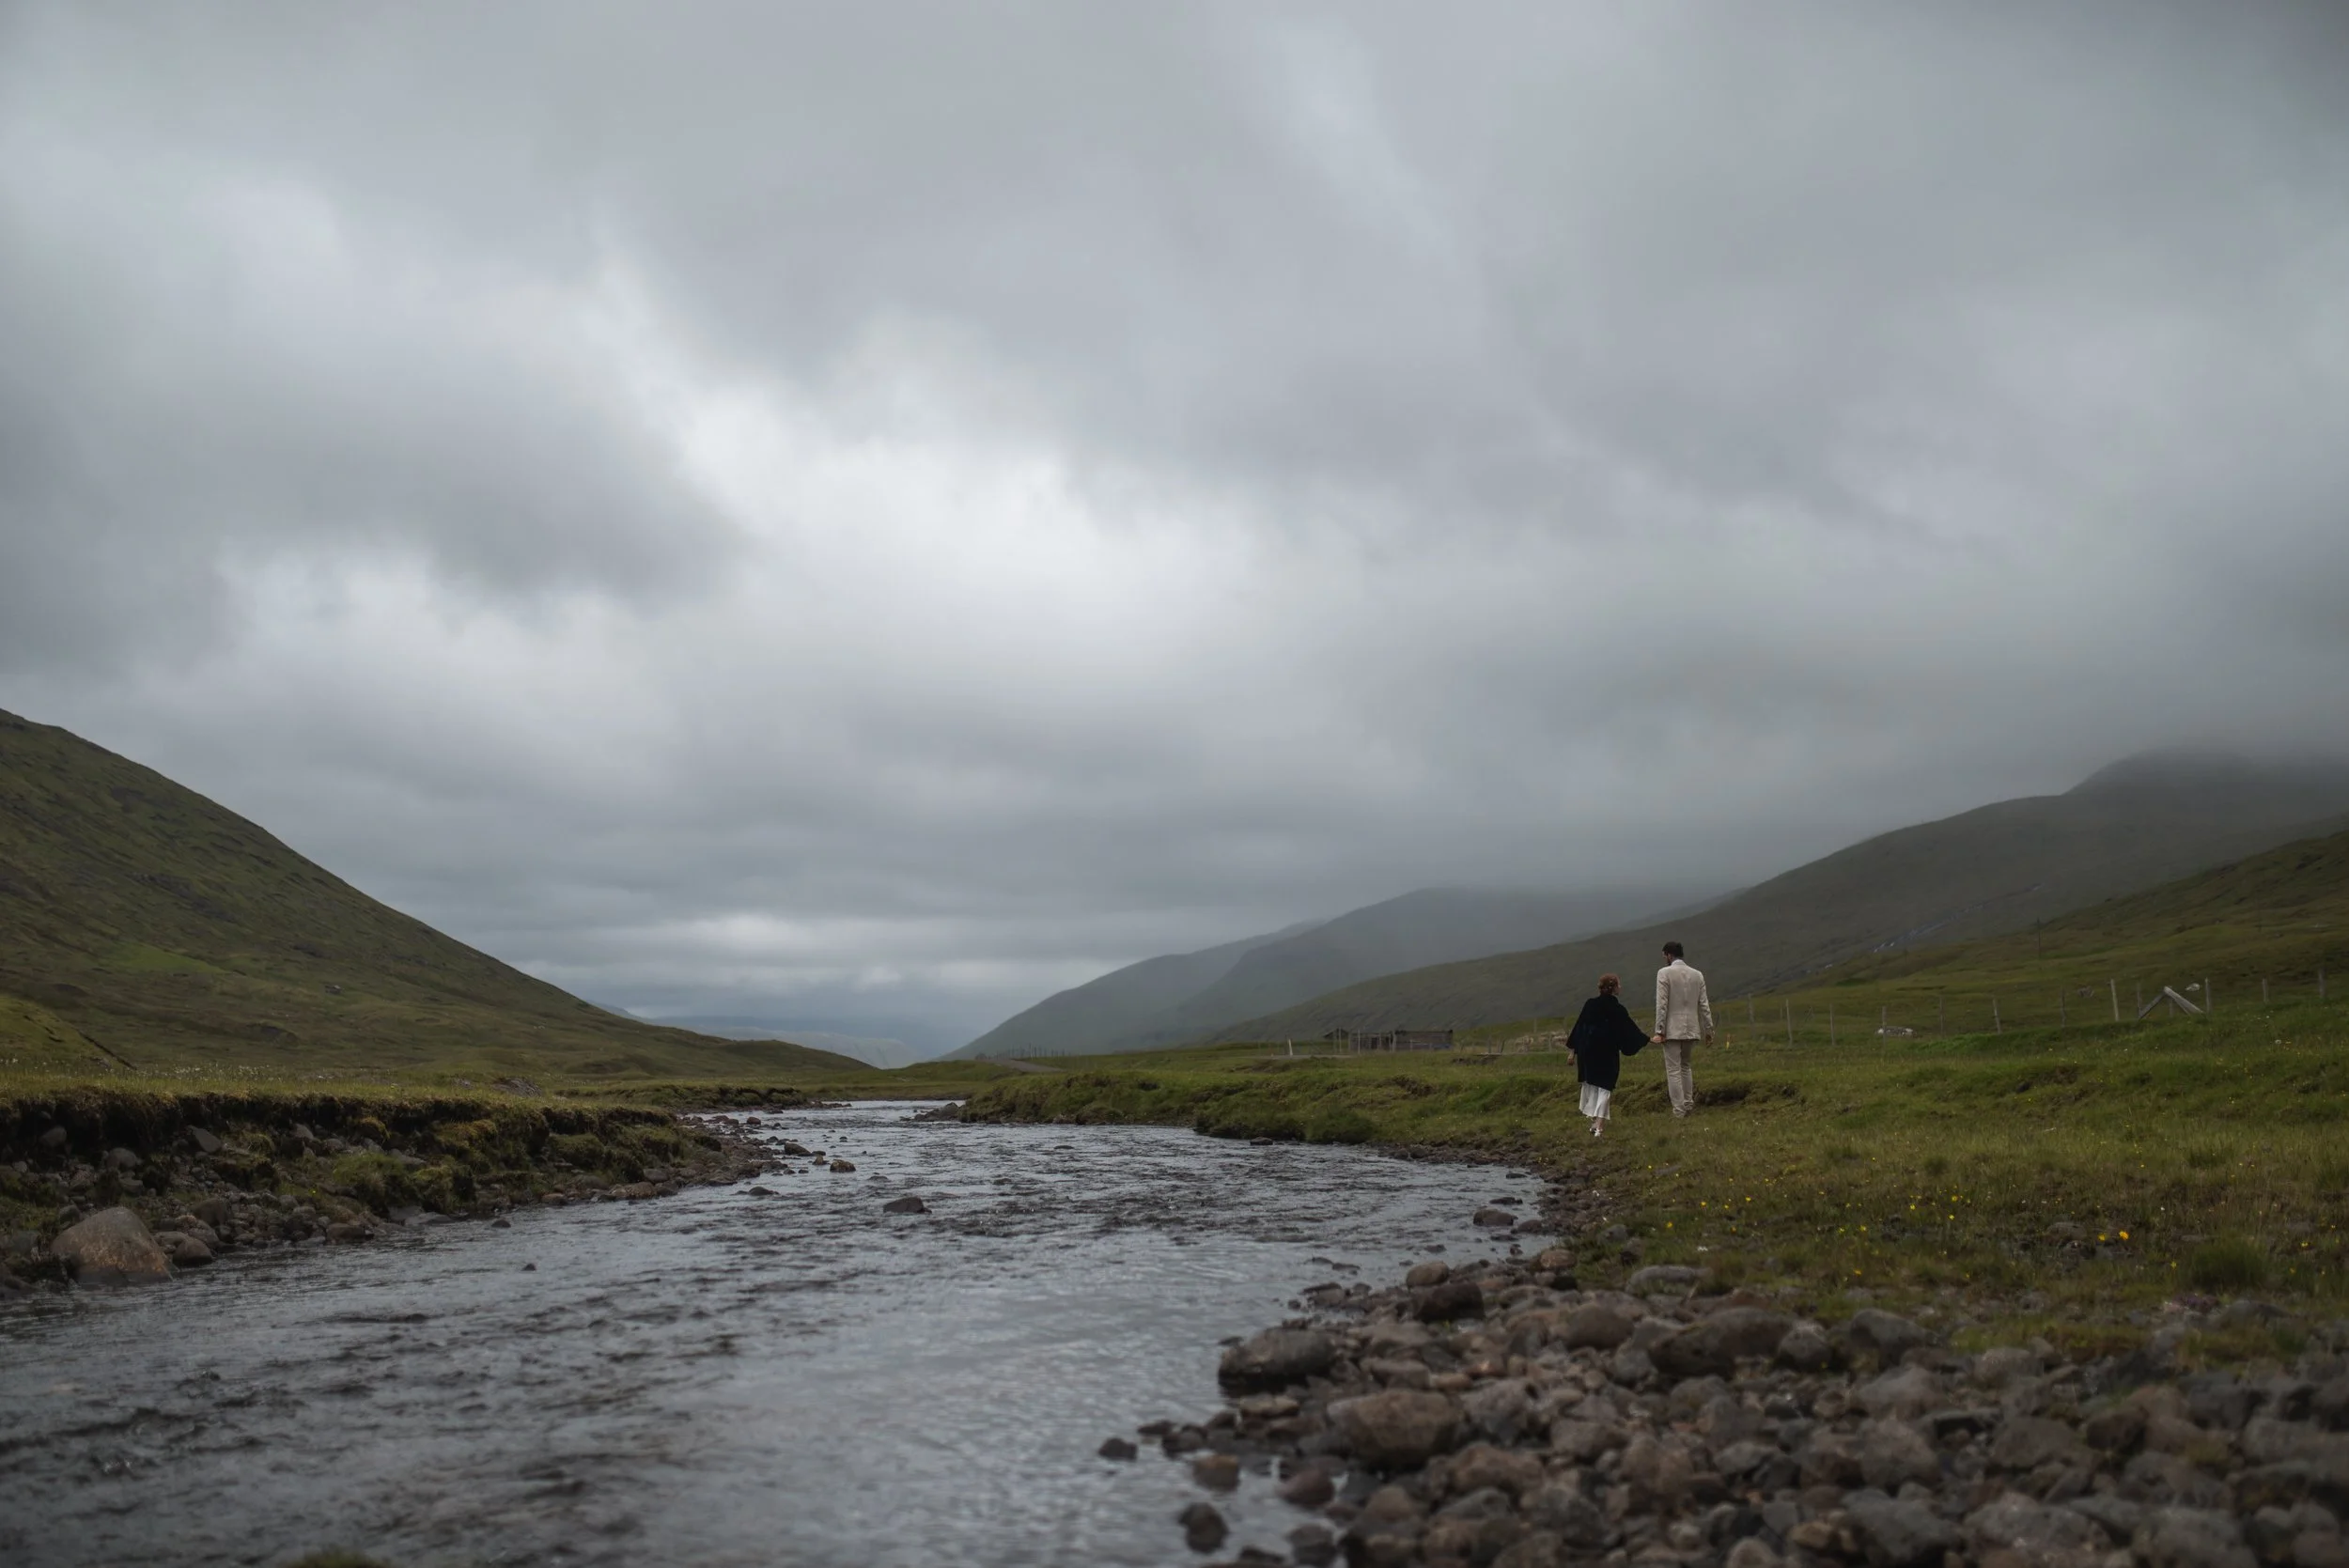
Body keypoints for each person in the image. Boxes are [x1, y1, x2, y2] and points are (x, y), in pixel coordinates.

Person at [1564, 973, 1646, 1137]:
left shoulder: (1590, 1004)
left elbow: (1579, 1027)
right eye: (1618, 985)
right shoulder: (1617, 1009)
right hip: (1606, 1053)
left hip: (1588, 1053)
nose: (1620, 987)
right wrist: (1648, 1039)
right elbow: (1630, 1030)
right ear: (1613, 988)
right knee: (1605, 1086)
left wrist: (1572, 1051)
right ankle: (1599, 1125)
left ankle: (1595, 1122)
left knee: (1593, 1086)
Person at [1651, 939, 1714, 1118]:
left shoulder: (1664, 973)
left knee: (1673, 1070)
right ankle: (1688, 1104)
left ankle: (1679, 1110)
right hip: (1691, 1027)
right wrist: (1709, 1029)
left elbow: (1662, 1004)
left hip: (1671, 1028)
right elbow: (1704, 1004)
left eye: (1664, 956)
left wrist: (1659, 1030)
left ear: (1669, 955)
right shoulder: (1697, 975)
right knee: (1686, 1066)